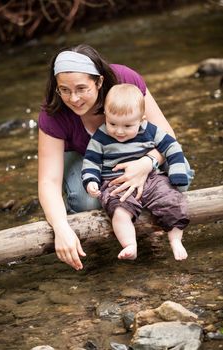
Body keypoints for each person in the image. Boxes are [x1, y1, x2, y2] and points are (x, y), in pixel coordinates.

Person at [38, 44, 194, 270]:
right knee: (87, 201)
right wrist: (61, 228)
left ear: (99, 82)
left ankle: (149, 219)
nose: (73, 98)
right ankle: (123, 223)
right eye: (64, 89)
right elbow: (48, 181)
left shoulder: (125, 80)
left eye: (82, 88)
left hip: (139, 150)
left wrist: (145, 165)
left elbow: (167, 135)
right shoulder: (53, 113)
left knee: (181, 172)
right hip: (85, 156)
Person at [82, 83, 190, 261]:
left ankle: (176, 239)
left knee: (172, 200)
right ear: (106, 116)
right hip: (117, 183)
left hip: (151, 178)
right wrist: (91, 180)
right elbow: (91, 161)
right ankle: (129, 244)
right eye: (113, 123)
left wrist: (177, 173)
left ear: (141, 120)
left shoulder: (150, 130)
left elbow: (172, 146)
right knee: (119, 210)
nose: (119, 131)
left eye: (127, 126)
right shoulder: (100, 137)